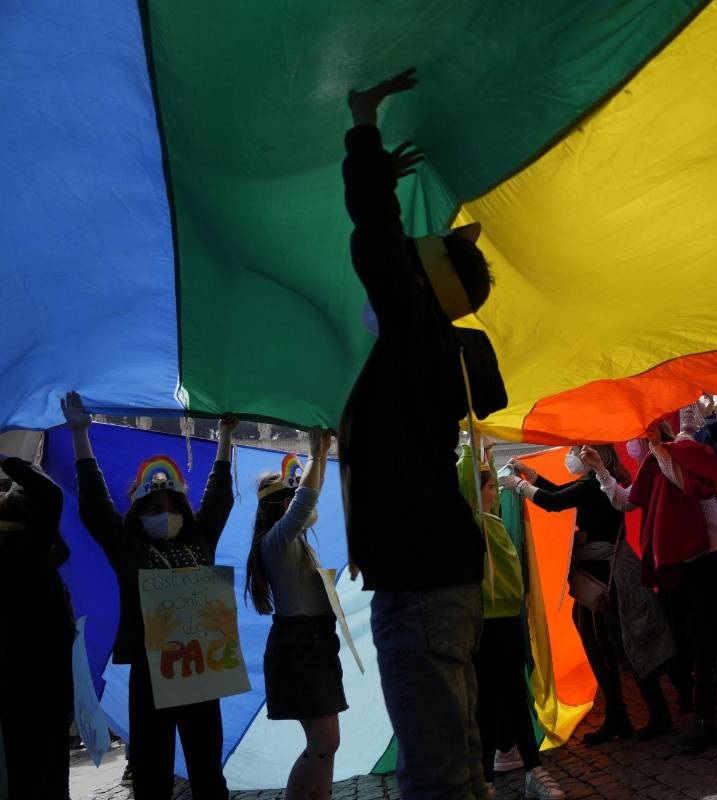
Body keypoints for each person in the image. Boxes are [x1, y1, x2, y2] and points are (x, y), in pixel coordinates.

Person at [338, 68, 507, 799]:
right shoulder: (444, 349)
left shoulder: (417, 338)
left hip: (420, 585)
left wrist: (365, 128)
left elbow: (376, 239)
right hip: (441, 579)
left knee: (438, 778)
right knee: (459, 768)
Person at [61, 391, 237, 799]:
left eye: (171, 504)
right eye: (153, 506)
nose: (164, 512)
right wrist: (79, 435)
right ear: (139, 514)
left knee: (209, 776)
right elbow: (96, 509)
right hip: (151, 679)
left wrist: (226, 438)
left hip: (201, 677)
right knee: (153, 777)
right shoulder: (131, 551)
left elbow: (219, 498)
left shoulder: (200, 540)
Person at [583, 423, 717, 754]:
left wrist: (659, 447)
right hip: (696, 557)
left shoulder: (684, 451)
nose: (634, 445)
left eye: (641, 438)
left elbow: (690, 486)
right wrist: (601, 469)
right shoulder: (653, 462)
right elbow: (626, 501)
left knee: (703, 633)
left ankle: (706, 719)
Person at [503, 445, 676, 744]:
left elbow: (554, 501)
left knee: (617, 645)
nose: (571, 454)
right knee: (610, 643)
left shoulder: (594, 483)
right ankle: (622, 713)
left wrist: (519, 485)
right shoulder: (595, 482)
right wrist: (532, 476)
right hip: (601, 576)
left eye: (575, 449)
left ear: (597, 455)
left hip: (605, 580)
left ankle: (648, 713)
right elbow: (561, 493)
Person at [245, 432, 346, 800]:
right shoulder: (277, 541)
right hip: (300, 648)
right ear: (282, 506)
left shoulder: (294, 542)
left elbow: (302, 504)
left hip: (315, 644)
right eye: (291, 499)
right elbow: (304, 503)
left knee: (328, 745)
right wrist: (317, 456)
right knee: (323, 743)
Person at [460, 453, 565, 800]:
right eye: (489, 487)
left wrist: (483, 454)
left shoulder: (493, 522)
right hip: (484, 623)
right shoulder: (469, 526)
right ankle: (485, 780)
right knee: (487, 703)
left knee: (516, 696)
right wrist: (471, 457)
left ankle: (533, 770)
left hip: (506, 619)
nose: (494, 493)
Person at [0, 452, 73, 799]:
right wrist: (8, 461)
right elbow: (50, 495)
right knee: (41, 776)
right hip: (36, 684)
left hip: (28, 685)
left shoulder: (30, 554)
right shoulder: (26, 556)